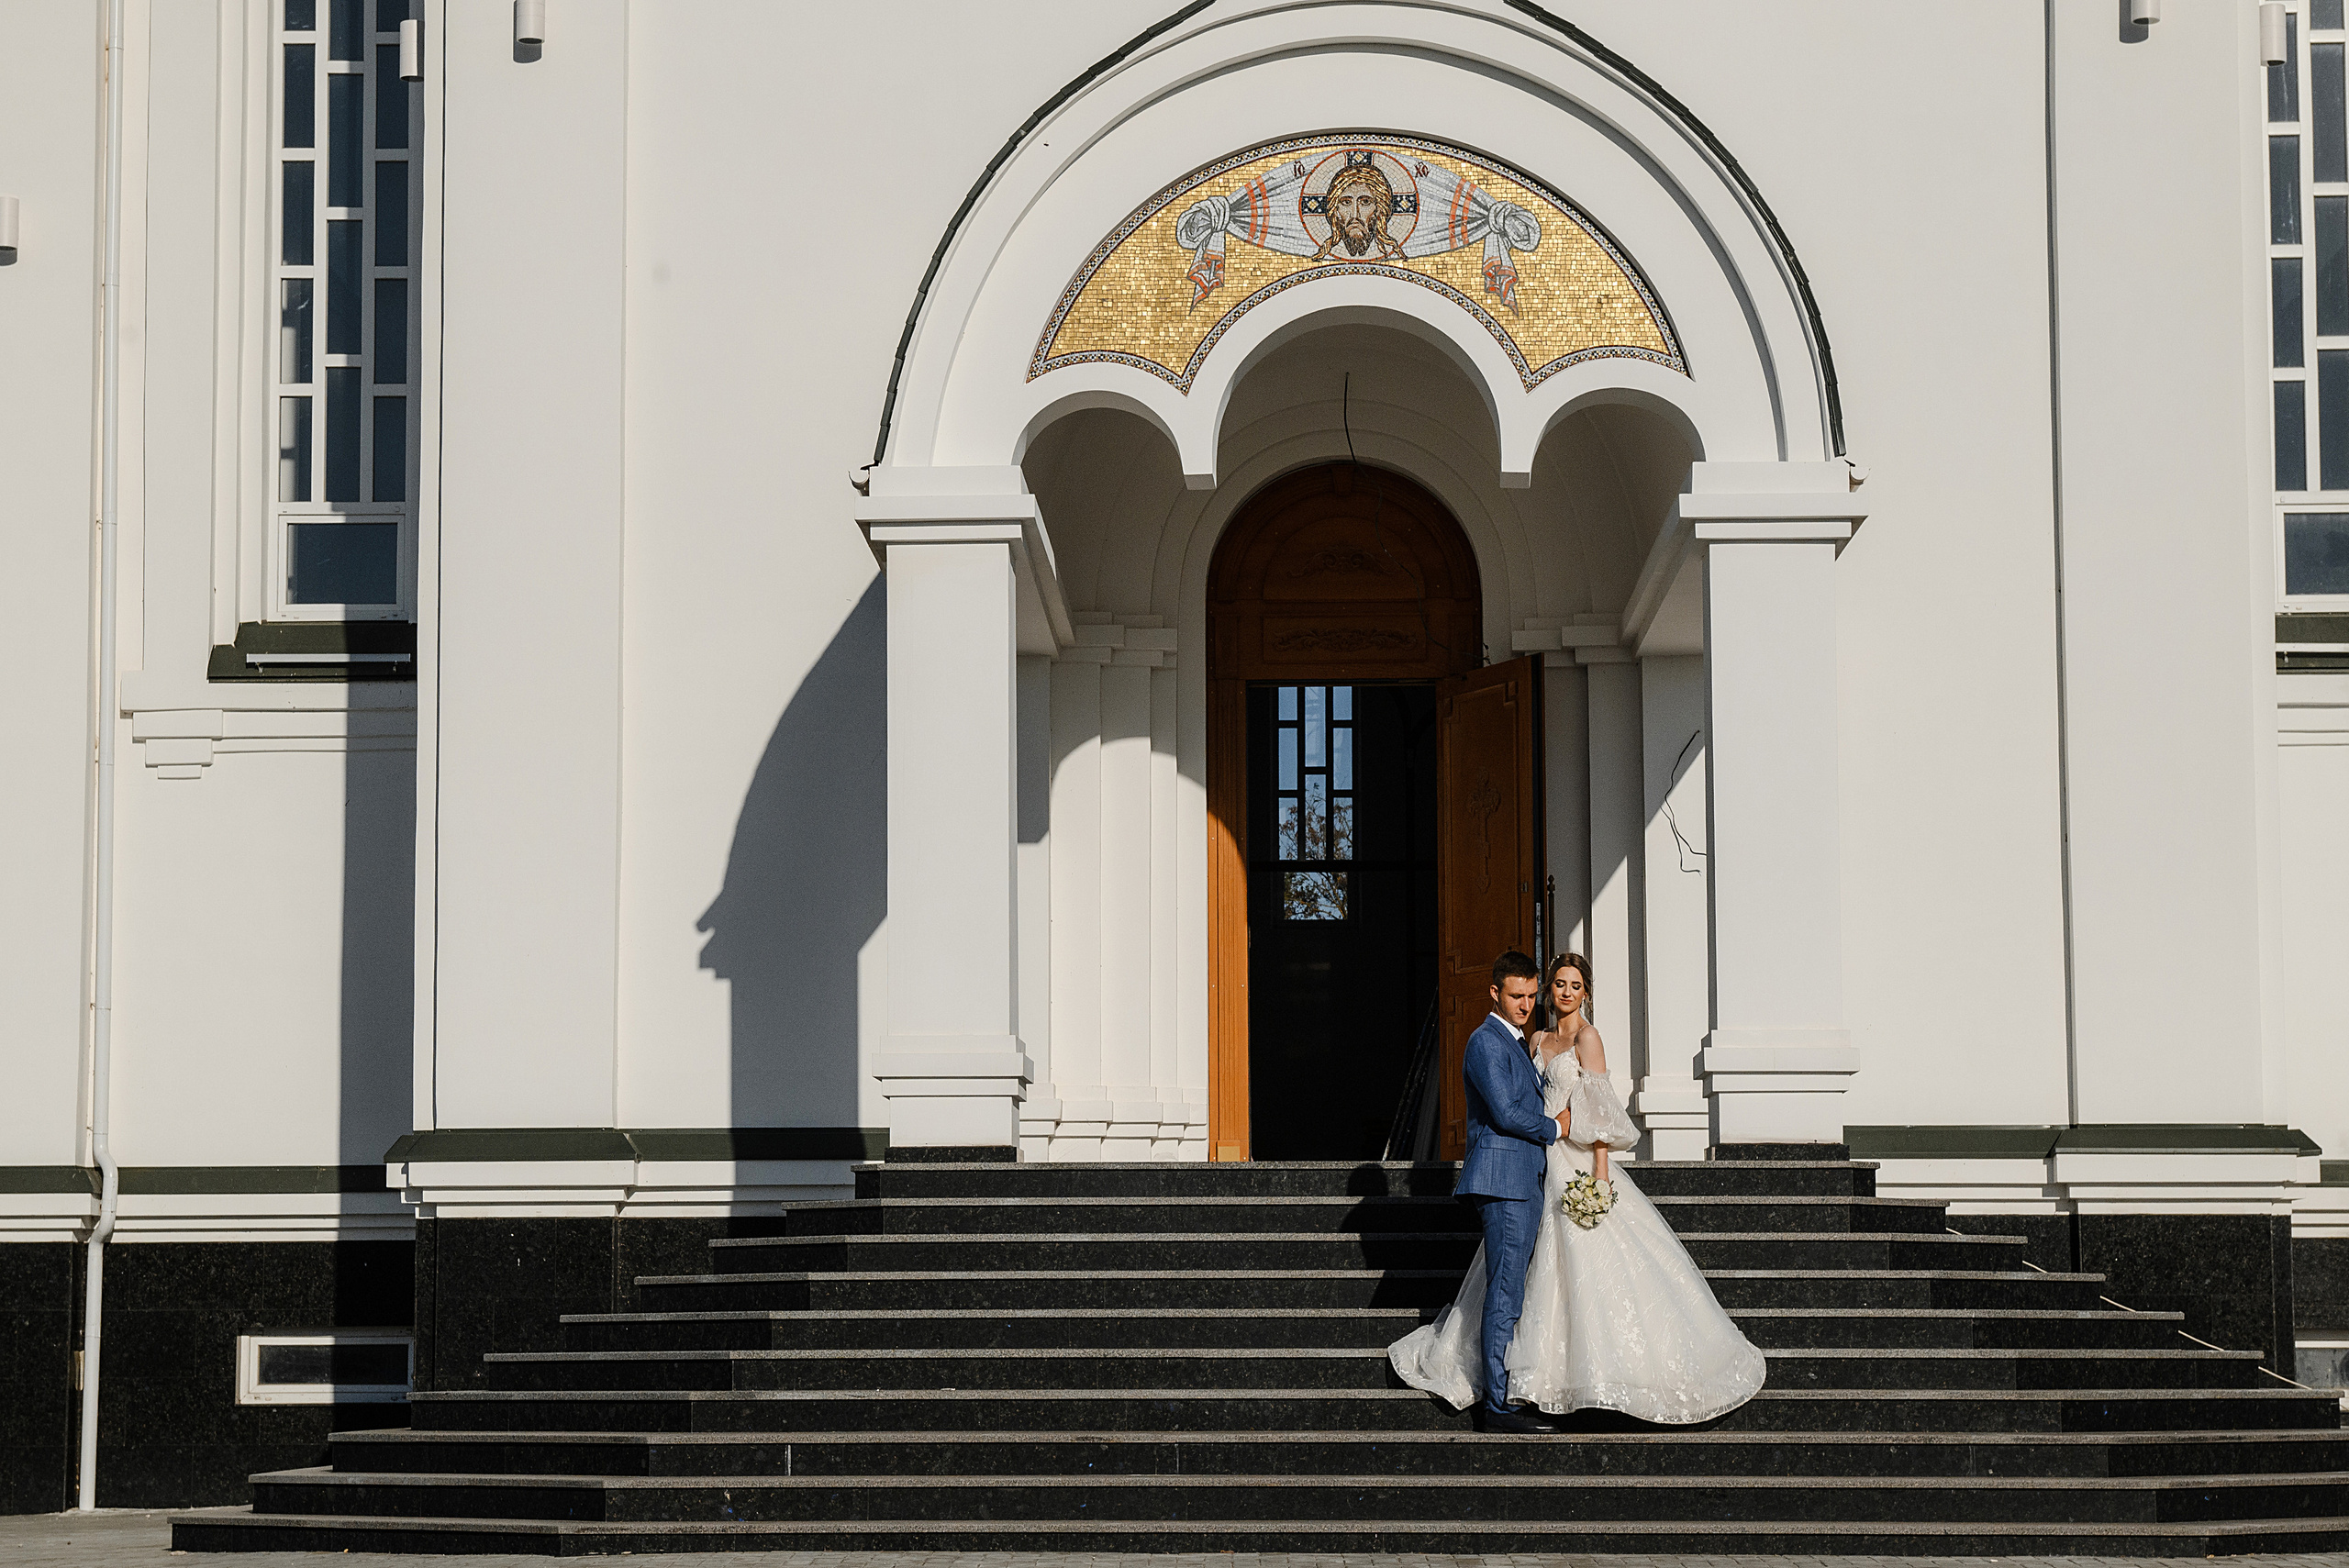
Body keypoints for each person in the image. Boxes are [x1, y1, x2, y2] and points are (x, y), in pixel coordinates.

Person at [1390, 951, 1767, 1427]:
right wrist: (1555, 1126)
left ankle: (1577, 1379)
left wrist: (1600, 1174)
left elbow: (1602, 1111)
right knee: (1519, 1281)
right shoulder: (1526, 1041)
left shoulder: (1586, 1038)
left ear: (1586, 991)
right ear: (1508, 993)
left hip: (1571, 1164)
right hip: (1534, 1163)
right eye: (1554, 986)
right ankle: (1508, 1395)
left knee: (1574, 1272)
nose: (1559, 994)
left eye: (1572, 986)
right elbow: (1512, 1111)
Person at [1391, 950, 1563, 1434]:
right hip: (1503, 1183)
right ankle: (1498, 1406)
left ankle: (1505, 1391)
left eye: (1532, 996)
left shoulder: (1518, 1040)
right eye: (1516, 996)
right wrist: (1556, 1127)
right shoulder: (1485, 1042)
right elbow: (1507, 1114)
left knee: (1512, 1290)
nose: (1526, 1004)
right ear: (1494, 993)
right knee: (1505, 1291)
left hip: (1522, 1181)